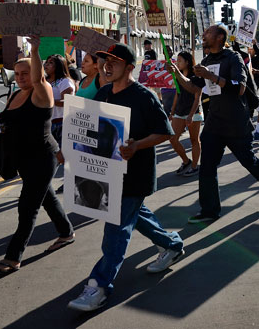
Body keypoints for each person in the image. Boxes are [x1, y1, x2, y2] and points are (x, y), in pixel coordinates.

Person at [68, 43, 183, 312]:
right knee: (135, 217)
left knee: (116, 233)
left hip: (135, 176)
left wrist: (135, 146)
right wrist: (70, 148)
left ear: (129, 67)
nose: (107, 66)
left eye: (114, 62)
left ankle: (98, 286)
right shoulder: (105, 91)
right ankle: (173, 244)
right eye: (104, 61)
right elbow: (89, 123)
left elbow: (165, 133)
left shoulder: (144, 96)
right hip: (108, 173)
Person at [0, 36, 74, 274]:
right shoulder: (15, 94)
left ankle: (13, 257)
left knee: (27, 207)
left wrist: (34, 51)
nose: (20, 77)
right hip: (22, 158)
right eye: (16, 73)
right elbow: (5, 119)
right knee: (47, 197)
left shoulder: (42, 92)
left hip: (42, 158)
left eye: (25, 72)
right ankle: (66, 232)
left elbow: (38, 78)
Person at [185, 26, 259, 224]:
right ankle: (209, 210)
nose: (203, 36)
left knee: (249, 161)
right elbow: (194, 87)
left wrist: (211, 76)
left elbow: (240, 88)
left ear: (220, 37)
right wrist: (176, 73)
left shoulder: (233, 58)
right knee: (207, 168)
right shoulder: (206, 61)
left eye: (207, 34)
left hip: (235, 122)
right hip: (214, 123)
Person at [167, 51, 203, 176]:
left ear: (187, 62)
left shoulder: (196, 76)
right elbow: (177, 94)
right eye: (176, 61)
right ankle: (186, 161)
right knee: (173, 138)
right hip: (179, 111)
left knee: (194, 140)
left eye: (180, 61)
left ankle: (194, 166)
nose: (177, 63)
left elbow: (197, 97)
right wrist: (172, 112)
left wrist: (191, 115)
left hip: (193, 112)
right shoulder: (179, 75)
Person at [44, 54, 75, 161]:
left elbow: (67, 101)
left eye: (50, 63)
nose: (46, 65)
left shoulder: (64, 81)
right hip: (48, 123)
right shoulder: (44, 81)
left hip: (61, 123)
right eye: (46, 62)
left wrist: (49, 101)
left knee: (63, 157)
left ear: (58, 66)